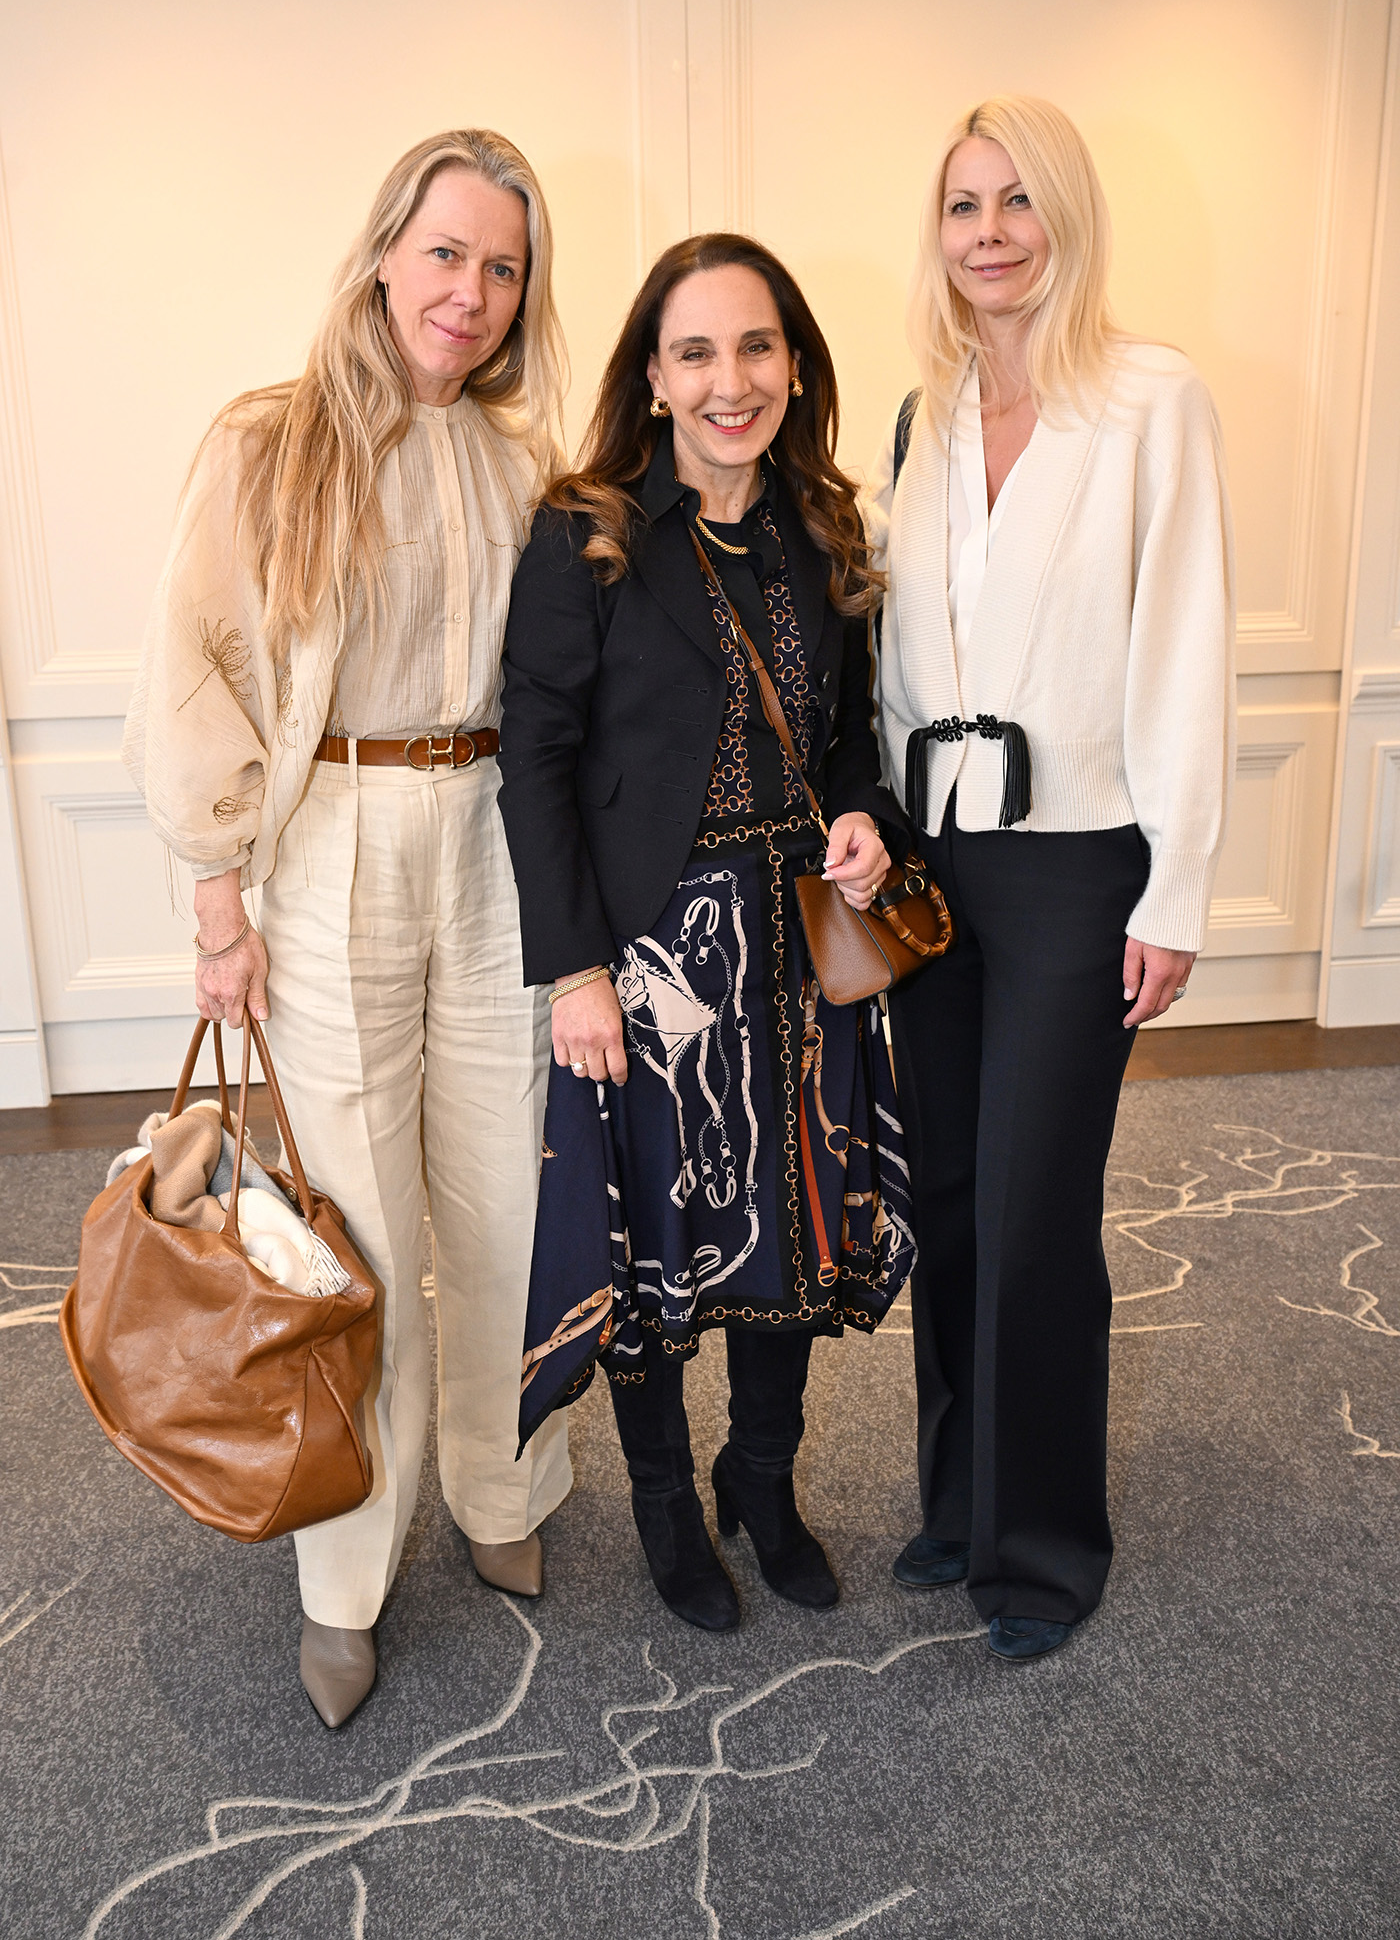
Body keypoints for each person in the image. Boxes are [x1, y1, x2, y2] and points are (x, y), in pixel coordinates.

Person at [124, 128, 574, 1726]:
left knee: (503, 1194)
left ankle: (500, 1485)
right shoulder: (270, 442)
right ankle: (345, 1575)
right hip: (334, 843)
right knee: (357, 1230)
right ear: (386, 251)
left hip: (493, 837)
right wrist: (216, 898)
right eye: (447, 252)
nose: (471, 292)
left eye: (503, 267)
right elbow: (191, 665)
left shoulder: (522, 463)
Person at [497, 233, 916, 1631]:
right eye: (696, 353)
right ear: (654, 377)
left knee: (791, 1225)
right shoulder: (589, 533)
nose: (729, 381)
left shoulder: (822, 529)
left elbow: (851, 738)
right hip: (652, 960)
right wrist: (574, 970)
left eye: (755, 347)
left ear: (794, 365)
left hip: (798, 945)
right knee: (659, 1244)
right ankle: (668, 1507)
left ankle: (764, 1479)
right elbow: (535, 762)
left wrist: (860, 816)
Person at [865, 95, 1234, 1661]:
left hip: (1083, 865)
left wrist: (1177, 890)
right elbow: (901, 648)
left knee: (1032, 1208)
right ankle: (960, 1503)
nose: (991, 233)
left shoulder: (1150, 398)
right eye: (964, 205)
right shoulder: (924, 414)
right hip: (936, 864)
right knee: (948, 1196)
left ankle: (1041, 1549)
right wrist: (875, 828)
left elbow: (1186, 644)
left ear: (1066, 215)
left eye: (1018, 200)